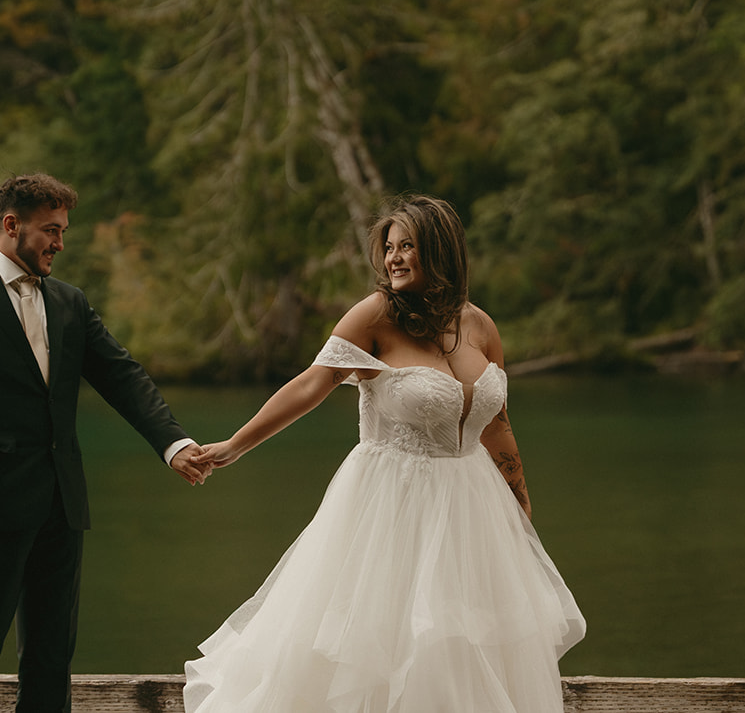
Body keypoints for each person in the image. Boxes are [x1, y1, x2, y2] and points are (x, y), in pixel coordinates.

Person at [183, 194, 585, 713]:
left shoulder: (480, 326)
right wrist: (236, 445)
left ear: (441, 251)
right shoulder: (375, 316)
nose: (393, 258)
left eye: (408, 246)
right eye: (389, 248)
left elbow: (498, 424)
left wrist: (519, 504)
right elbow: (312, 384)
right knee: (388, 643)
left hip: (474, 507)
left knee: (463, 643)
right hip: (390, 506)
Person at [0, 173, 213, 713]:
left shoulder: (70, 302)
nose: (60, 242)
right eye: (50, 230)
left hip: (62, 499)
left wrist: (173, 444)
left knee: (51, 653)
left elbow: (122, 376)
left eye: (63, 230)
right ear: (11, 225)